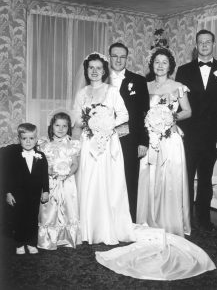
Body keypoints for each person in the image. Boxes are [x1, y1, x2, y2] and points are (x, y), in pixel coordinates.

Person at [73, 52, 135, 245]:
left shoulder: (112, 91)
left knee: (107, 181)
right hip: (88, 142)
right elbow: (76, 121)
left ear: (104, 71)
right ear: (86, 70)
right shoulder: (81, 94)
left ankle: (107, 227)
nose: (94, 71)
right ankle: (88, 227)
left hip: (108, 142)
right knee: (88, 180)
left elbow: (124, 115)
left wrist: (106, 124)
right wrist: (75, 146)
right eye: (91, 68)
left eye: (98, 68)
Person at [175, 29, 217, 231]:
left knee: (206, 179)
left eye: (208, 42)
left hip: (213, 136)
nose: (204, 45)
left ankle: (204, 218)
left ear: (213, 44)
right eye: (201, 42)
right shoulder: (183, 70)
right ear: (196, 46)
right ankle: (186, 218)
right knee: (187, 177)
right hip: (188, 135)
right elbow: (178, 103)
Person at [136, 47, 191, 237]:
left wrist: (170, 117)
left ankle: (169, 220)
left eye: (164, 62)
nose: (160, 66)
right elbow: (140, 112)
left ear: (170, 66)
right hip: (150, 138)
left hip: (169, 139)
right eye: (157, 62)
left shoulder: (178, 86)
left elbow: (188, 111)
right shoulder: (145, 86)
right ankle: (146, 218)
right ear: (152, 65)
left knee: (168, 178)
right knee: (148, 177)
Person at [109, 42, 150, 222]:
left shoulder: (139, 81)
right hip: (105, 138)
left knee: (129, 179)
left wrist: (143, 141)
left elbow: (144, 114)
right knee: (107, 179)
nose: (118, 60)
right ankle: (107, 220)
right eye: (115, 56)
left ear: (127, 58)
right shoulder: (100, 79)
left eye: (122, 56)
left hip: (130, 139)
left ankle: (129, 221)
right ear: (109, 57)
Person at [38, 111, 81, 250]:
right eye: (57, 125)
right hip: (51, 181)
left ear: (68, 128)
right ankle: (48, 238)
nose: (61, 129)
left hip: (67, 182)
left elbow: (75, 164)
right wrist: (50, 171)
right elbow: (42, 164)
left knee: (68, 207)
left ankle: (67, 237)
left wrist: (67, 173)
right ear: (52, 127)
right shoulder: (45, 144)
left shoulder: (72, 145)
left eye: (64, 126)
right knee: (50, 208)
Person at [5, 123, 49, 254]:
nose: (28, 141)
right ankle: (19, 243)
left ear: (36, 139)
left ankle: (31, 242)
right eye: (24, 138)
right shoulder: (13, 156)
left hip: (34, 194)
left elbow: (44, 175)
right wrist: (8, 193)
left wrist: (46, 190)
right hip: (18, 194)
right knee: (18, 218)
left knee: (32, 218)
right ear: (19, 139)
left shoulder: (41, 156)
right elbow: (7, 176)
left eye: (31, 138)